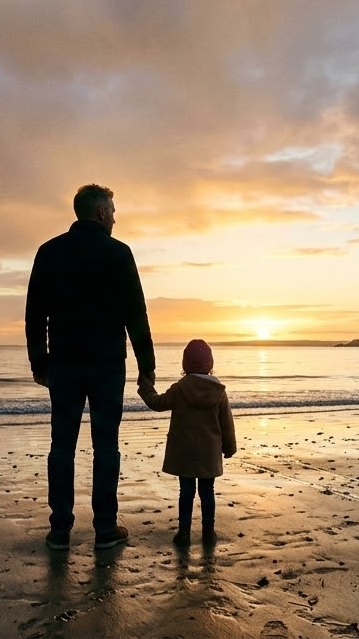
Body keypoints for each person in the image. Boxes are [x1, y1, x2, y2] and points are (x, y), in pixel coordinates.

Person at [26, 184, 155, 551]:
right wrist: (147, 366)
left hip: (64, 363)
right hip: (106, 365)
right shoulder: (118, 253)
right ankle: (105, 529)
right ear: (100, 213)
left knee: (62, 446)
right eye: (112, 210)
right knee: (106, 446)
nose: (115, 217)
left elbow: (35, 313)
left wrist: (39, 361)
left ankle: (60, 530)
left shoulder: (49, 252)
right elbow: (136, 314)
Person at [138, 338, 237, 546]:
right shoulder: (218, 391)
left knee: (186, 492)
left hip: (185, 453)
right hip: (208, 454)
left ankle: (184, 533)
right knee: (207, 492)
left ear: (185, 364)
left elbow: (157, 403)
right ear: (210, 364)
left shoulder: (180, 388)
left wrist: (146, 386)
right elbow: (226, 423)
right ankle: (208, 533)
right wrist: (229, 447)